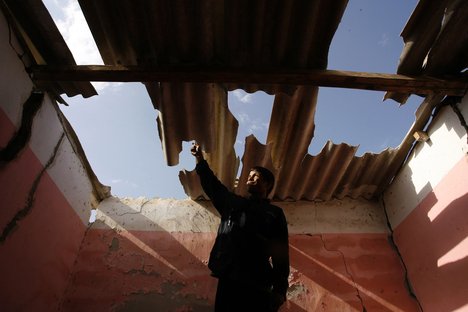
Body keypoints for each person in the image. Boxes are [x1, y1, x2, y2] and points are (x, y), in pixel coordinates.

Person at [191, 142, 290, 312]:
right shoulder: (233, 203)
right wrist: (200, 159)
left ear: (267, 184)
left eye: (255, 175)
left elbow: (281, 255)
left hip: (258, 281)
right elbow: (213, 186)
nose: (249, 178)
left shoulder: (274, 213)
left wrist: (280, 290)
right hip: (228, 277)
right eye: (249, 175)